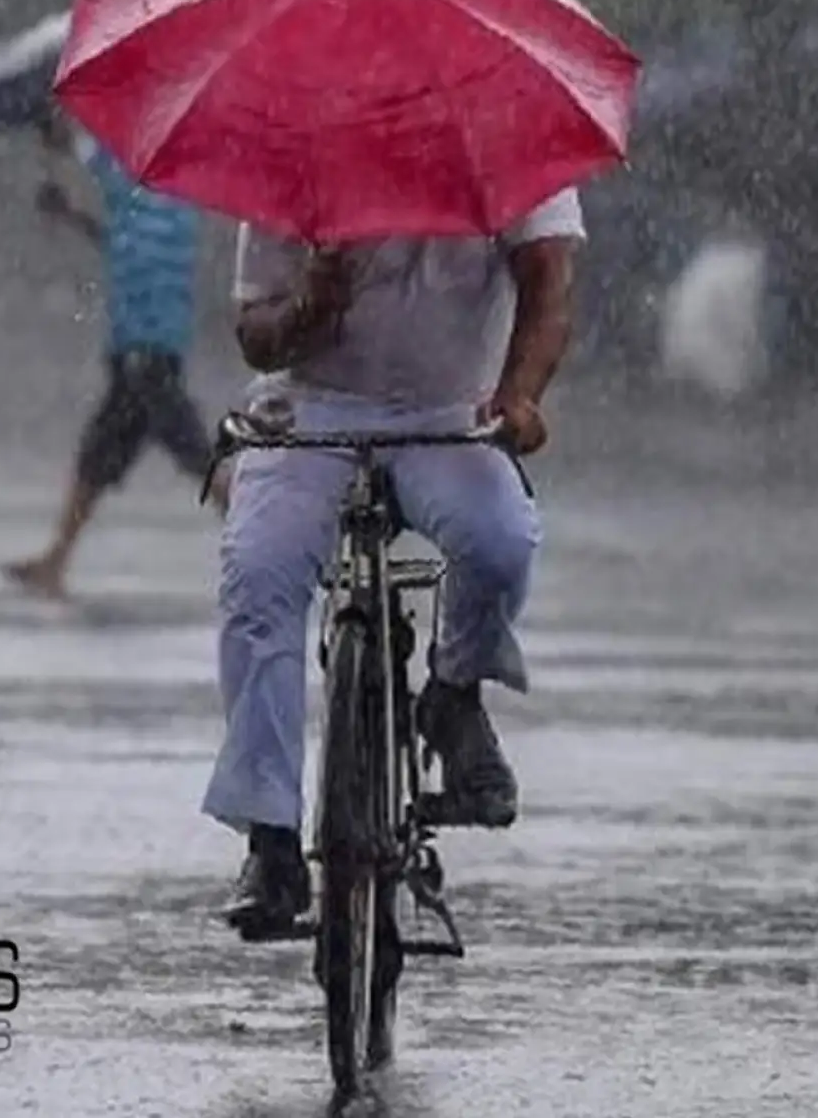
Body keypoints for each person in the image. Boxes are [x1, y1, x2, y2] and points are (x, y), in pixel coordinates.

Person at [210, 189, 585, 937]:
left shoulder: (504, 138)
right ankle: (270, 836)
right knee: (257, 576)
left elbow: (547, 285)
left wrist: (519, 396)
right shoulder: (295, 150)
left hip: (450, 416)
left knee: (501, 541)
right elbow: (254, 334)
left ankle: (453, 692)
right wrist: (304, 311)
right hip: (312, 412)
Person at [3, 115, 221, 599]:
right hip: (144, 349)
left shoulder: (141, 181)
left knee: (197, 456)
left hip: (146, 350)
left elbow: (95, 162)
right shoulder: (169, 202)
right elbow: (122, 243)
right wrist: (70, 214)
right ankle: (56, 560)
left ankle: (269, 550)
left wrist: (62, 141)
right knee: (98, 458)